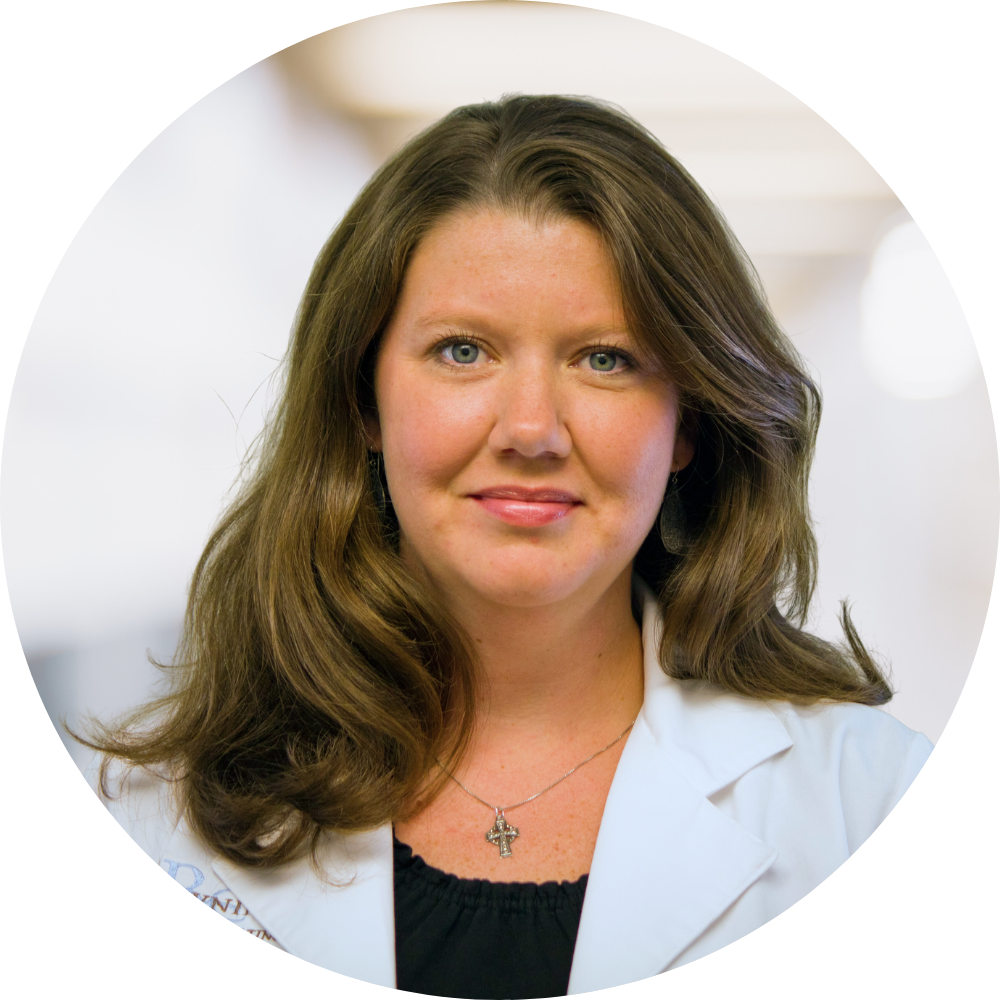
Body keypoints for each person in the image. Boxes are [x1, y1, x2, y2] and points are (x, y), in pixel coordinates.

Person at [75, 94, 932, 999]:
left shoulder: (881, 810)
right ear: (364, 401)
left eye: (605, 359)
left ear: (689, 423)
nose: (531, 429)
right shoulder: (144, 824)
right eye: (462, 351)